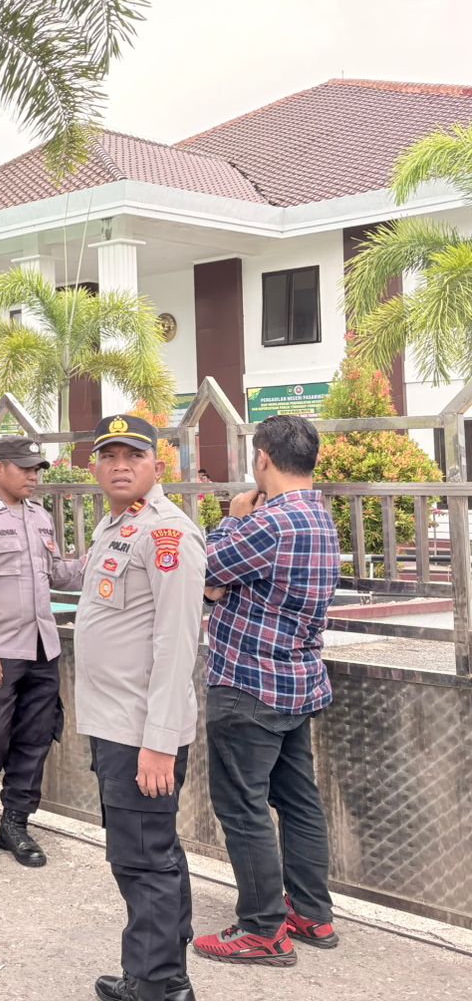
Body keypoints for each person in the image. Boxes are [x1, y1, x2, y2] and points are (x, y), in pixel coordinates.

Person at [192, 414, 340, 966]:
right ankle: (310, 913)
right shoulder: (321, 519)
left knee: (243, 806)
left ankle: (261, 929)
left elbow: (203, 568)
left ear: (262, 460)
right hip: (298, 684)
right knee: (299, 803)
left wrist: (230, 518)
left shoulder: (269, 523)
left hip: (247, 686)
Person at [75, 414, 207, 1001]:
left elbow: (177, 645)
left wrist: (158, 741)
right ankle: (165, 968)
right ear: (94, 465)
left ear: (159, 464)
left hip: (139, 732)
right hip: (115, 723)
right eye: (109, 455)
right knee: (155, 850)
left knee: (141, 859)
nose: (120, 464)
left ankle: (155, 985)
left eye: (133, 454)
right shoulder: (118, 526)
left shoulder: (167, 533)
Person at [0, 436, 84, 867]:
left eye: (37, 469)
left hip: (43, 649)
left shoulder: (40, 518)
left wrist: (98, 556)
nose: (33, 476)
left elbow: (57, 574)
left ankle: (16, 823)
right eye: (25, 468)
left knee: (36, 738)